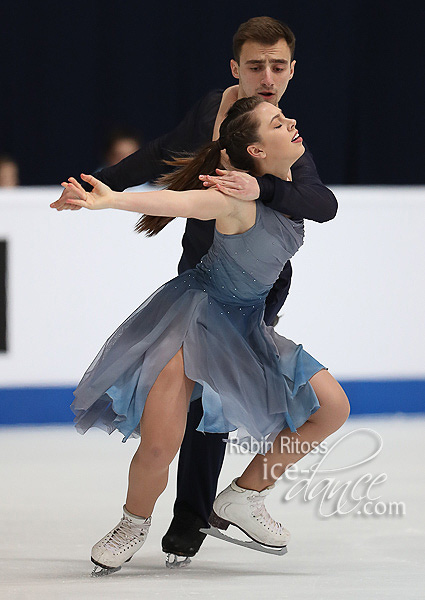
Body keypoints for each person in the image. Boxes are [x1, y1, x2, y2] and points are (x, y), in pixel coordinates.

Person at [50, 16, 338, 563]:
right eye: (257, 66)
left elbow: (322, 204)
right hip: (204, 283)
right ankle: (143, 520)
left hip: (256, 292)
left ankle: (194, 517)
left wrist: (266, 187)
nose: (269, 77)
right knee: (177, 417)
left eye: (279, 67)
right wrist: (100, 188)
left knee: (218, 406)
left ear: (292, 70)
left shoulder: (284, 144)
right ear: (236, 68)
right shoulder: (220, 116)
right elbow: (163, 160)